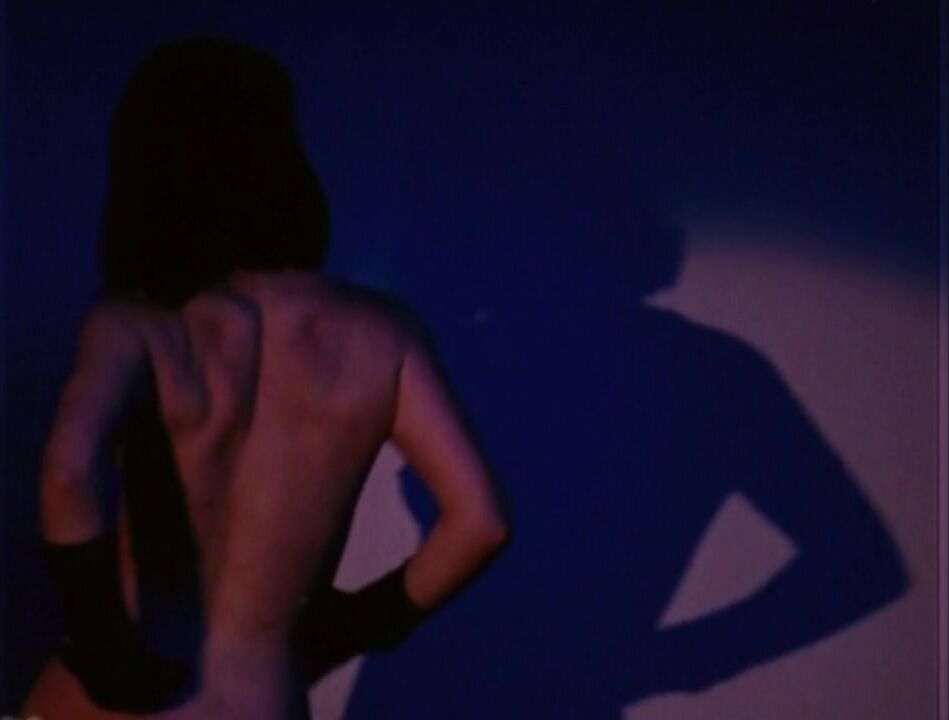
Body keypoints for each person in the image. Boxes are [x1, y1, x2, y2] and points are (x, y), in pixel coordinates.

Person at [22, 37, 509, 720]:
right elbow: (481, 522)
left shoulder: (139, 327)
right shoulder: (384, 336)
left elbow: (69, 471)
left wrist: (105, 648)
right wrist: (357, 626)